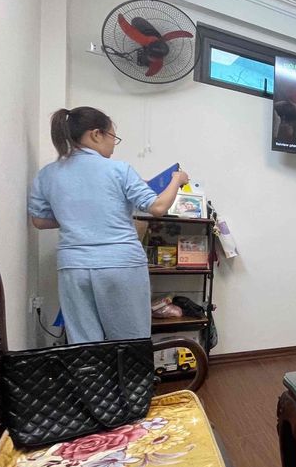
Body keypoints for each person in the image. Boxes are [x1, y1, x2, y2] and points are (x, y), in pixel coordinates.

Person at [28, 107, 189, 343]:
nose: (114, 144)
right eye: (113, 137)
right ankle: (130, 370)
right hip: (120, 264)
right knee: (130, 339)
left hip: (73, 267)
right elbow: (158, 207)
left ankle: (91, 369)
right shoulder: (118, 169)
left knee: (84, 342)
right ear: (96, 134)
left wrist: (77, 216)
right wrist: (177, 179)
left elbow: (40, 221)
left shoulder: (47, 174)